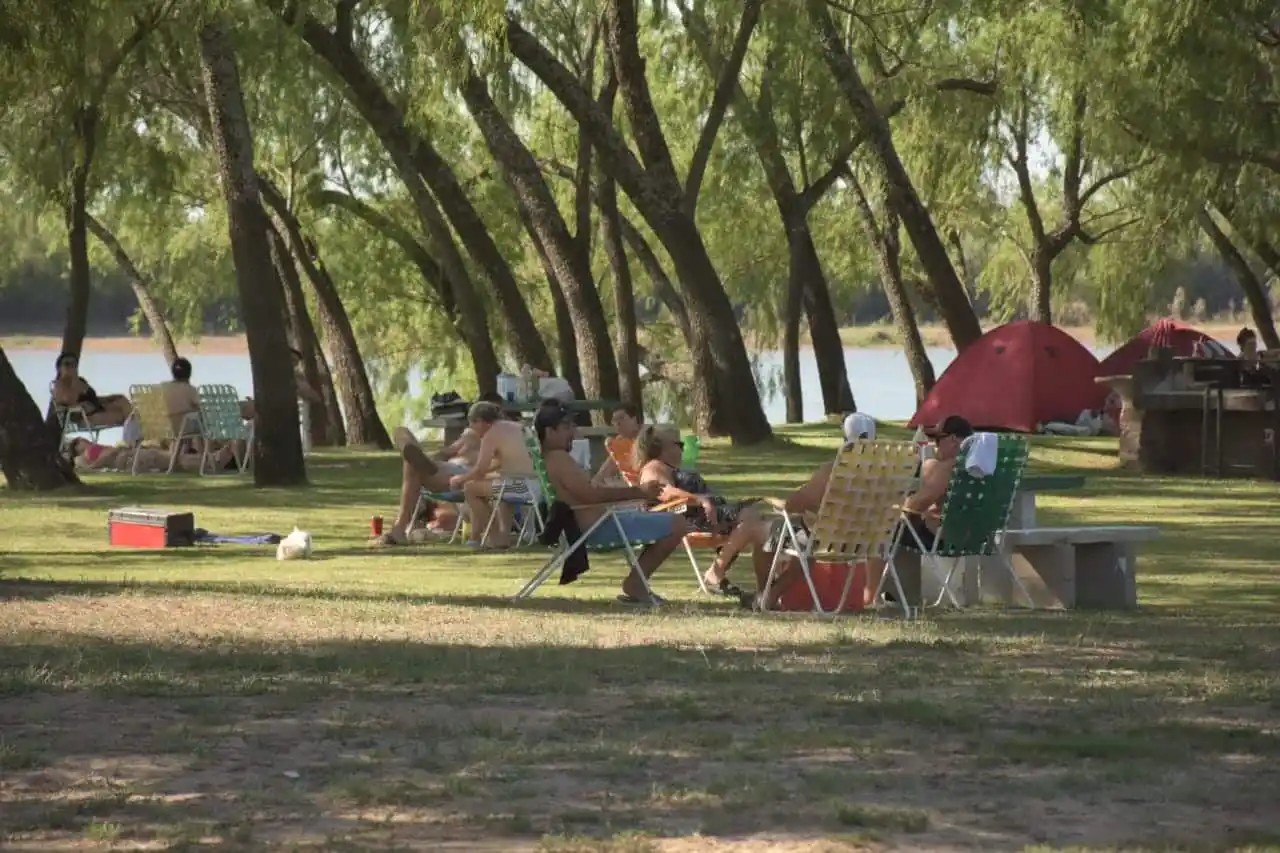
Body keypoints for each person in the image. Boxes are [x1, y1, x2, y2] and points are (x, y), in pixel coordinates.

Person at [535, 403, 688, 604]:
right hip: (598, 527)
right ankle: (635, 584)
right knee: (678, 524)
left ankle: (636, 583)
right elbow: (591, 495)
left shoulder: (550, 457)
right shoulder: (559, 458)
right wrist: (637, 492)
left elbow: (587, 493)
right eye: (566, 427)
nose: (573, 432)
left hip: (595, 521)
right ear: (549, 431)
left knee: (669, 520)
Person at [635, 424, 764, 597]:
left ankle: (728, 576)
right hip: (689, 516)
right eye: (679, 445)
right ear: (662, 449)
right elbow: (664, 492)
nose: (682, 450)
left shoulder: (667, 467)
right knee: (750, 518)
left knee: (756, 520)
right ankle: (717, 573)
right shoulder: (654, 466)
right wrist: (700, 500)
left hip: (704, 513)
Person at [51, 352, 132, 428]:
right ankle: (137, 436)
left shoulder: (81, 381)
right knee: (124, 416)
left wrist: (109, 398)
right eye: (67, 364)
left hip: (97, 409)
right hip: (84, 418)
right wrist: (73, 381)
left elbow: (93, 398)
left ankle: (136, 434)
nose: (71, 367)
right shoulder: (59, 385)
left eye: (74, 364)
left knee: (122, 400)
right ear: (59, 368)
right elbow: (70, 401)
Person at [592, 403, 644, 486]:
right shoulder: (619, 443)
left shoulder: (649, 437)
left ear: (634, 419)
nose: (617, 423)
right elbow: (602, 474)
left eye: (621, 418)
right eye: (614, 421)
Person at [161, 357, 202, 437]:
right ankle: (204, 448)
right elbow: (199, 408)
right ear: (189, 374)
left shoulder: (163, 387)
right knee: (199, 419)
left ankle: (180, 448)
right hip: (184, 427)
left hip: (166, 427)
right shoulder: (190, 389)